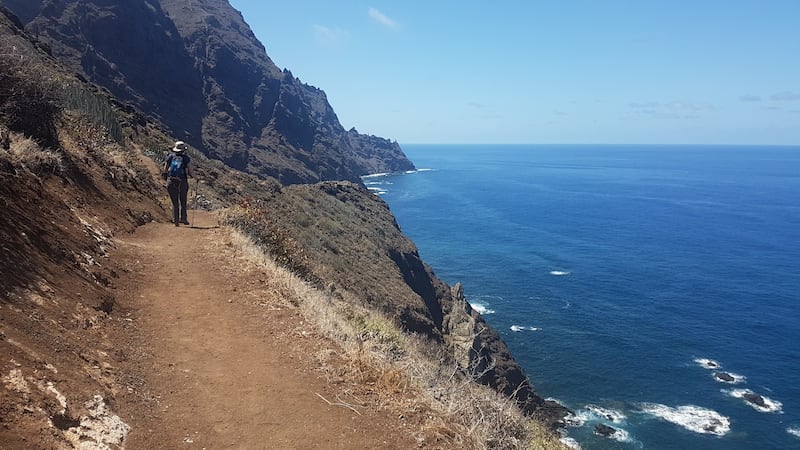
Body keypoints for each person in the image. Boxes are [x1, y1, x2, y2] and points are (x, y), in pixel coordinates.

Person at [162, 141, 195, 226]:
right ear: (183, 150)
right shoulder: (186, 158)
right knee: (183, 200)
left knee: (175, 202)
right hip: (182, 181)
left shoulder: (170, 157)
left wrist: (166, 177)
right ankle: (183, 218)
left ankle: (175, 220)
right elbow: (190, 170)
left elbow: (165, 168)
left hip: (171, 181)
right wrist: (195, 177)